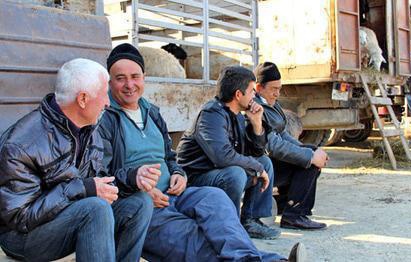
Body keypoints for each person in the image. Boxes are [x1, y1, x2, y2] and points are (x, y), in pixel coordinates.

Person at [99, 44, 302, 261]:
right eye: (120, 78)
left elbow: (169, 156)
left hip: (175, 193)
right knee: (192, 236)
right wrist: (137, 191)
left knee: (216, 200)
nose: (129, 85)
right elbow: (101, 175)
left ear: (144, 77)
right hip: (142, 204)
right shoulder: (105, 118)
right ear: (110, 82)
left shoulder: (151, 111)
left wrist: (178, 173)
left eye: (135, 76)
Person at [0, 58, 153, 261]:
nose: (108, 102)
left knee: (140, 203)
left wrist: (132, 178)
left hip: (67, 214)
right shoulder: (21, 145)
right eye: (103, 95)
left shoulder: (89, 129)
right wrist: (83, 189)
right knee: (95, 209)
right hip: (21, 236)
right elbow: (20, 217)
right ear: (82, 99)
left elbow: (97, 181)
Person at [177, 66, 280, 239]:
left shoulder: (237, 114)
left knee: (264, 162)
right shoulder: (211, 114)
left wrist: (256, 125)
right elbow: (222, 157)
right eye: (251, 91)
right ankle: (228, 225)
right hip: (194, 178)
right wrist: (256, 168)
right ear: (238, 95)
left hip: (217, 173)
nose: (254, 95)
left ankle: (250, 221)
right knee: (236, 174)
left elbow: (254, 152)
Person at [253, 62, 327, 230]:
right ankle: (295, 215)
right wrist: (308, 157)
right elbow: (273, 145)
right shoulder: (255, 107)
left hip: (270, 161)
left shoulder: (272, 104)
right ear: (259, 87)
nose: (277, 94)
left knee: (310, 152)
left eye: (279, 88)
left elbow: (283, 134)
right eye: (274, 89)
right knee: (308, 162)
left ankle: (283, 204)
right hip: (261, 166)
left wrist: (306, 150)